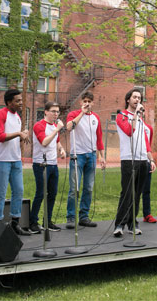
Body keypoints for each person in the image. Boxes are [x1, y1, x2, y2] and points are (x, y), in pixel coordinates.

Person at [113, 88, 156, 237]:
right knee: (127, 193)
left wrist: (151, 159)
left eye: (139, 98)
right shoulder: (121, 116)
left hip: (143, 159)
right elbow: (129, 131)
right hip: (129, 159)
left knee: (137, 194)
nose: (137, 100)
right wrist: (136, 115)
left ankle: (132, 223)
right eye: (134, 97)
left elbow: (145, 141)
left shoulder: (141, 120)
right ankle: (119, 224)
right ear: (128, 99)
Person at [0, 89, 31, 236]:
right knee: (1, 193)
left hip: (16, 159)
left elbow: (14, 137)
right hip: (2, 160)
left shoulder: (17, 117)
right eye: (18, 101)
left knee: (19, 190)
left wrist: (23, 135)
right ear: (9, 102)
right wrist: (18, 133)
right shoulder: (0, 114)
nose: (21, 103)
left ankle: (15, 223)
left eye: (21, 100)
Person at [65, 91, 105, 229]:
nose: (87, 103)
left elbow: (99, 137)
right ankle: (71, 217)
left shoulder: (96, 117)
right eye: (85, 101)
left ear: (93, 103)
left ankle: (84, 216)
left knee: (88, 187)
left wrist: (102, 156)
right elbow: (69, 127)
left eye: (89, 101)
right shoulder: (73, 115)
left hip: (92, 155)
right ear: (80, 102)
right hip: (78, 155)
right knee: (74, 188)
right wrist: (81, 113)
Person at [30, 101, 66, 233]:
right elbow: (44, 142)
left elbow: (56, 142)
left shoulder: (54, 126)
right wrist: (57, 129)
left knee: (52, 194)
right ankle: (33, 221)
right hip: (41, 164)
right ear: (45, 112)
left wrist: (61, 149)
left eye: (57, 112)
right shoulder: (39, 125)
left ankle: (48, 221)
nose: (56, 114)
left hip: (53, 164)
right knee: (40, 193)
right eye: (53, 111)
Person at [141, 117, 157, 223]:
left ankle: (147, 214)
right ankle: (129, 216)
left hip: (145, 161)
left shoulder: (148, 128)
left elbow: (148, 146)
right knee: (132, 191)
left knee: (146, 189)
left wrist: (151, 160)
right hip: (133, 161)